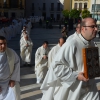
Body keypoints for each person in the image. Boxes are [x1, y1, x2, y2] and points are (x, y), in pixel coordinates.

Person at [40, 17, 99, 100]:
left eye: (96, 26)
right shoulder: (71, 44)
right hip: (74, 89)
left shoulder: (93, 44)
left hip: (90, 88)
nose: (96, 29)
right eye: (93, 27)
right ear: (83, 29)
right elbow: (56, 66)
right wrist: (76, 76)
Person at [0, 36, 20, 100]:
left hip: (8, 82)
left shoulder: (11, 52)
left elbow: (17, 62)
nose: (3, 46)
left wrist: (13, 79)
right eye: (0, 44)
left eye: (5, 43)